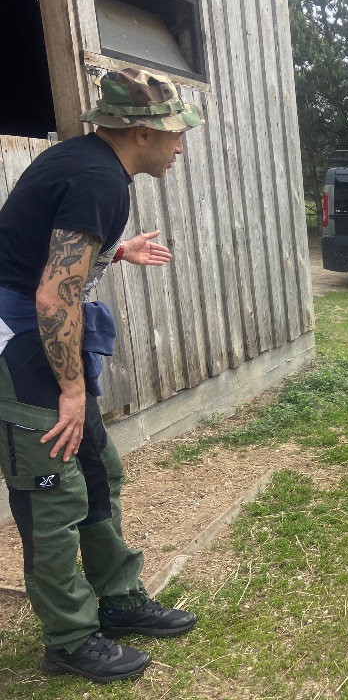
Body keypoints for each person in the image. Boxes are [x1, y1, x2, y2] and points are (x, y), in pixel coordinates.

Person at [0, 68, 204, 683]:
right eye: (175, 133)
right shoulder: (98, 179)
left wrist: (117, 251)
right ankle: (69, 640)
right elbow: (52, 297)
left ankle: (116, 600)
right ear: (141, 131)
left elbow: (45, 249)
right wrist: (71, 390)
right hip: (21, 339)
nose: (180, 146)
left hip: (44, 331)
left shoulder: (91, 165)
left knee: (96, 468)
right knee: (52, 490)